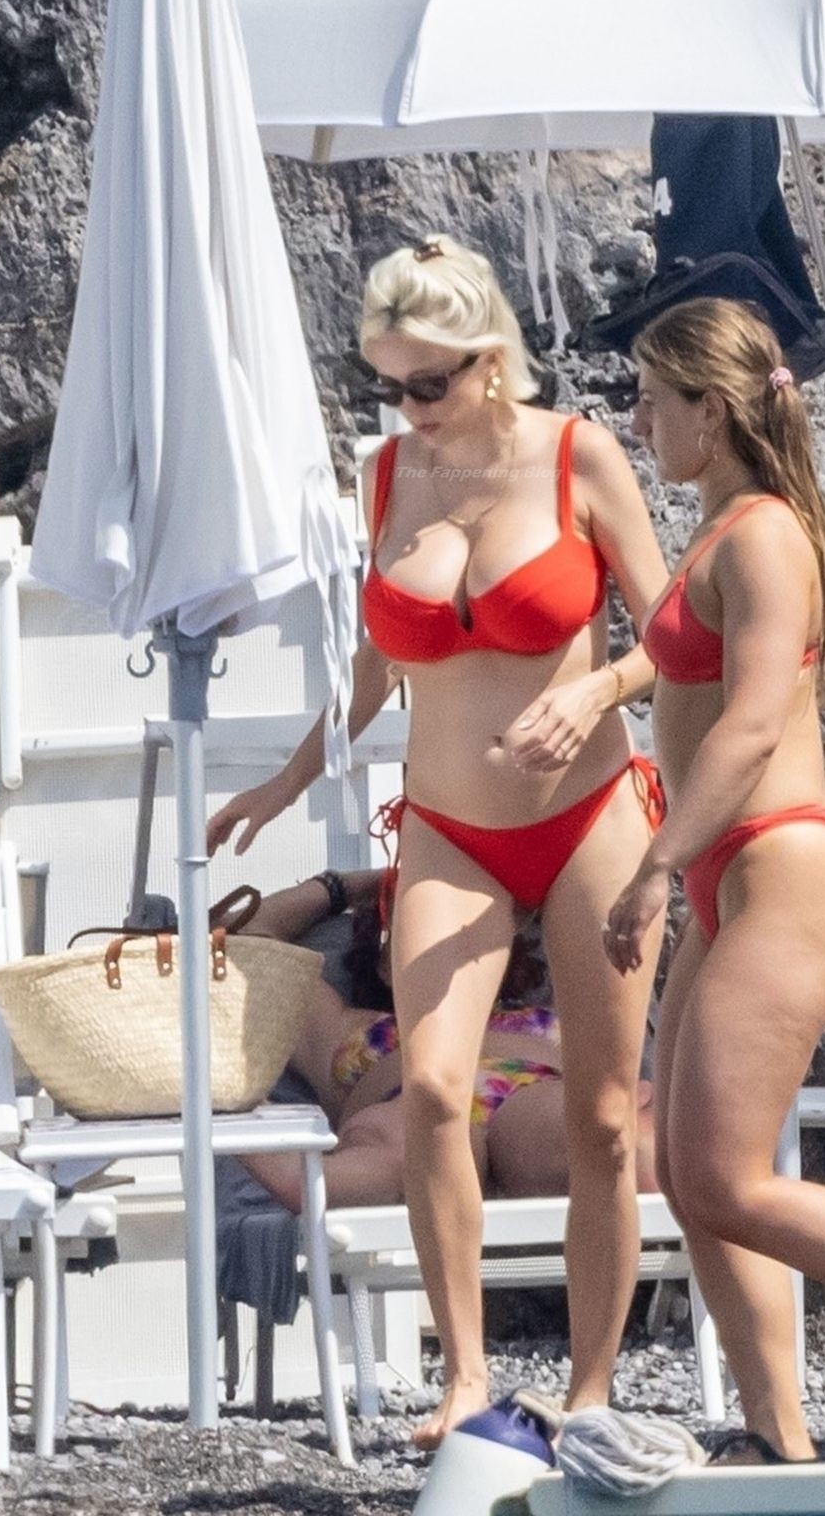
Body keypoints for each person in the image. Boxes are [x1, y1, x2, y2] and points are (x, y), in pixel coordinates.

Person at [207, 236, 671, 1447]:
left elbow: (675, 629)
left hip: (587, 817)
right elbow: (375, 665)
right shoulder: (387, 475)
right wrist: (285, 781)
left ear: (488, 356)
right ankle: (464, 1379)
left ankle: (589, 1392)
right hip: (448, 829)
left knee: (602, 1119)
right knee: (432, 1093)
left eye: (429, 381)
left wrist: (598, 685)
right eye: (388, 383)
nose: (408, 406)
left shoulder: (575, 454)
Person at [605, 298, 825, 1467]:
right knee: (692, 1179)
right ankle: (778, 1438)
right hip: (727, 877)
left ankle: (779, 1434)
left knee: (732, 1181)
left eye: (653, 401)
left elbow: (745, 729)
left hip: (775, 868)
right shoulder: (722, 525)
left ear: (715, 408)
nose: (637, 422)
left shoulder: (765, 537)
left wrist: (652, 866)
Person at [233, 868, 658, 1214]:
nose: (444, 951)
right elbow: (238, 943)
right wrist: (348, 886)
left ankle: (643, 1161)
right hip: (410, 1102)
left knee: (601, 1133)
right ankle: (309, 1180)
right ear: (384, 964)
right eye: (418, 930)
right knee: (404, 1147)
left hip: (529, 1096)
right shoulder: (347, 1028)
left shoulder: (546, 1015)